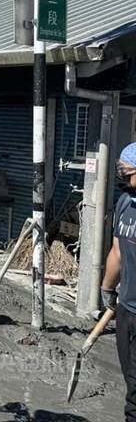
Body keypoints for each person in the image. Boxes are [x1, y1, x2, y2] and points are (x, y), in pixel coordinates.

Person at [101, 142, 136, 421]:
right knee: (130, 379)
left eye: (127, 170)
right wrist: (107, 288)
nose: (122, 174)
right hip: (126, 309)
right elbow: (117, 251)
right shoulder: (125, 201)